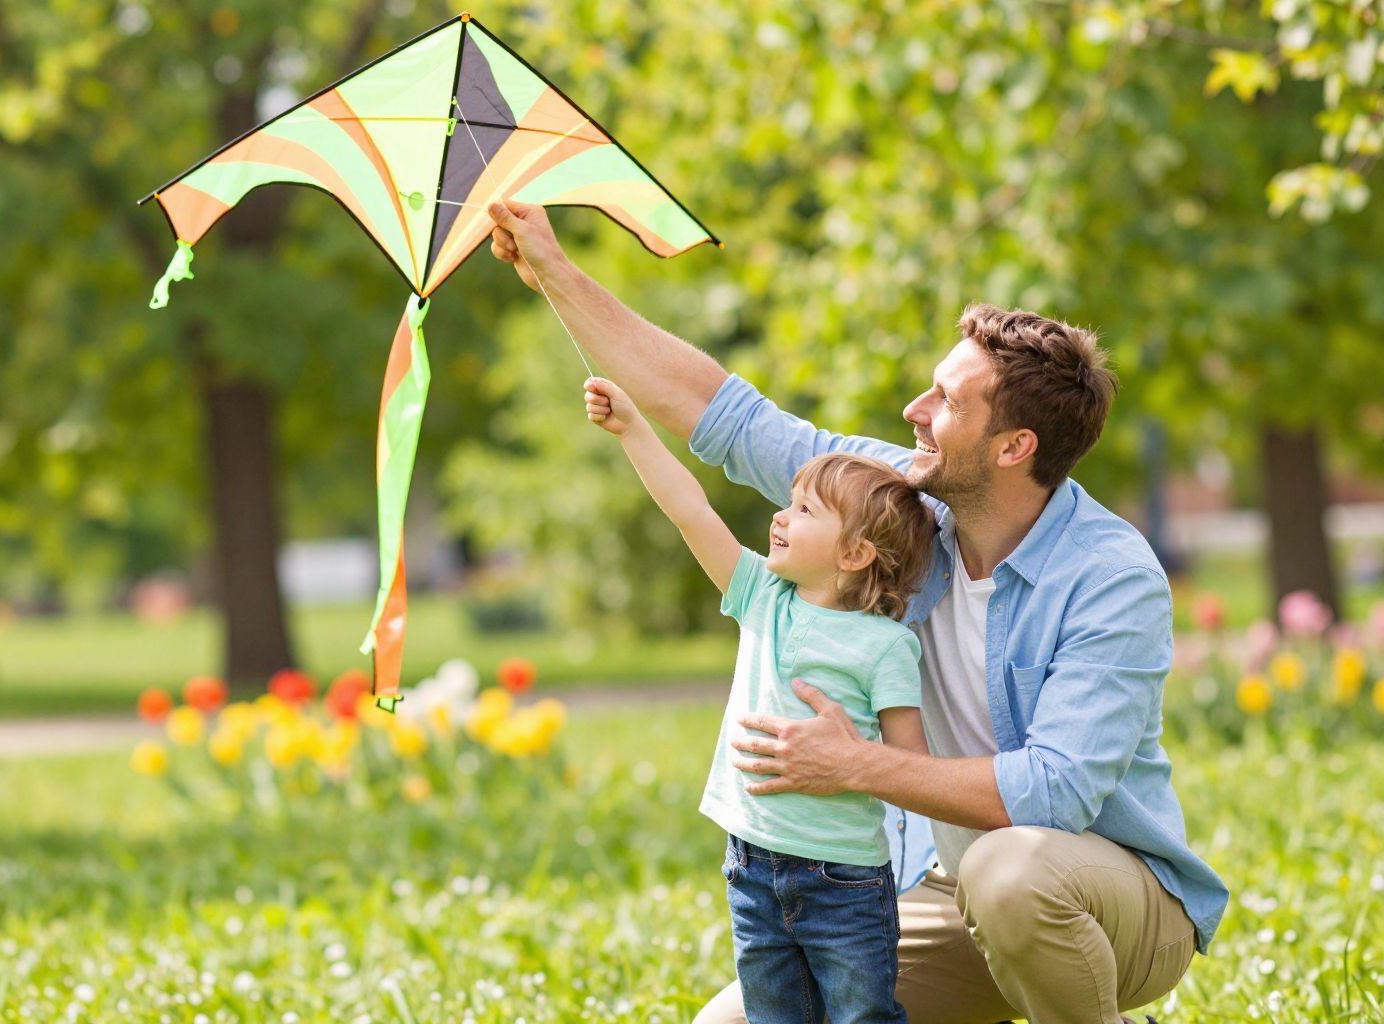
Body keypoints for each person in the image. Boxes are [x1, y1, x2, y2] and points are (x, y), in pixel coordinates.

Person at [487, 199, 1228, 1024]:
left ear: (1014, 446)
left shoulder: (1110, 575)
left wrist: (856, 764)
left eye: (946, 401)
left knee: (1010, 873)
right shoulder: (895, 505)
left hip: (1115, 905)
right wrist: (555, 271)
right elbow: (721, 413)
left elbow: (1051, 793)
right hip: (947, 893)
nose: (915, 409)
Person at [587, 374, 935, 1023]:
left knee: (862, 1016)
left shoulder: (887, 646)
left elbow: (912, 769)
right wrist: (633, 428)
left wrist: (851, 760)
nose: (780, 515)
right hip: (751, 865)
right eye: (789, 502)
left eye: (804, 510)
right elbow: (691, 511)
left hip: (845, 882)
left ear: (855, 553)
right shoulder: (761, 598)